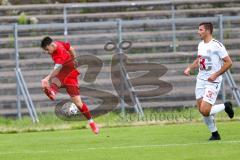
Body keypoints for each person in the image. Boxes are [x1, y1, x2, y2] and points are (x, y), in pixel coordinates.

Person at [184, 22, 234, 140]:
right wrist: (190, 68)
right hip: (201, 80)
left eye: (200, 30)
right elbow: (199, 60)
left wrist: (215, 75)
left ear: (207, 31)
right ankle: (215, 134)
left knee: (205, 110)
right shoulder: (201, 44)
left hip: (213, 81)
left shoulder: (217, 45)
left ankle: (226, 106)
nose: (198, 32)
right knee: (202, 111)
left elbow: (229, 62)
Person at [40, 36, 99, 134]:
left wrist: (46, 78)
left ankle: (92, 123)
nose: (47, 52)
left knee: (78, 104)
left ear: (51, 45)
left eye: (47, 49)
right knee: (57, 80)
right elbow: (71, 48)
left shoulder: (59, 53)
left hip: (70, 75)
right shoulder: (58, 43)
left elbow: (57, 69)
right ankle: (52, 91)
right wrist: (74, 59)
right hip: (64, 73)